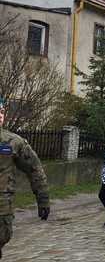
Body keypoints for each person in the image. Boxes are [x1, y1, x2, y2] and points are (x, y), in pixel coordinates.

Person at [0, 97, 50, 259]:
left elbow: (34, 168)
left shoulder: (12, 142)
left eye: (1, 112)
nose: (0, 115)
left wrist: (42, 197)